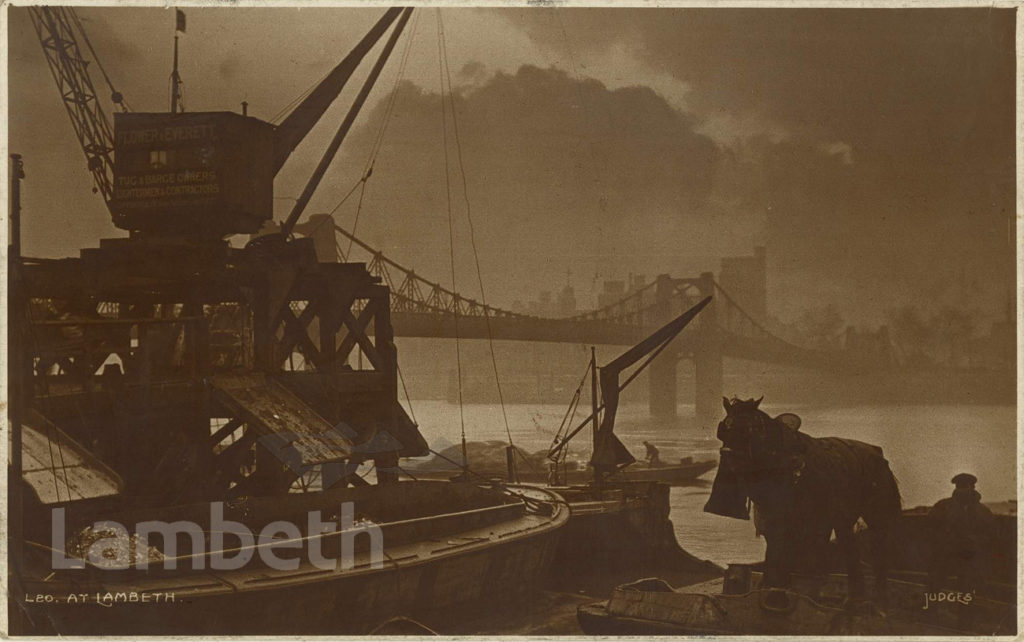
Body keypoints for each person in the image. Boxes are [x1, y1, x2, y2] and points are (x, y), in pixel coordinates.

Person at [926, 473, 995, 595]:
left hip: (970, 556)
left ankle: (966, 610)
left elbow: (990, 534)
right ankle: (931, 608)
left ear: (973, 487)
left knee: (967, 587)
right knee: (935, 582)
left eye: (965, 486)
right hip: (946, 553)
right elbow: (930, 529)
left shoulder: (983, 512)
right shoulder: (943, 506)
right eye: (960, 486)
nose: (962, 489)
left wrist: (974, 542)